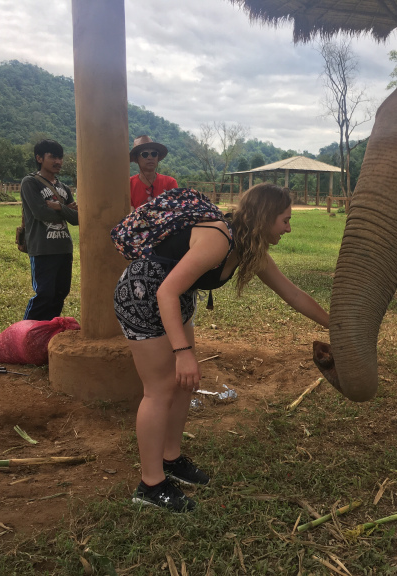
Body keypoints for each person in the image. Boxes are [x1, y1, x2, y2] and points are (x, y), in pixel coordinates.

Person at [114, 183, 329, 512]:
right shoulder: (219, 238)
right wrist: (182, 353)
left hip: (175, 297)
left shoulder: (249, 247)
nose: (289, 227)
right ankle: (150, 484)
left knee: (185, 385)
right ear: (266, 217)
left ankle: (170, 459)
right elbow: (165, 293)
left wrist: (336, 325)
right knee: (159, 389)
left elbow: (293, 294)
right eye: (285, 220)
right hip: (143, 295)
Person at [21, 139, 79, 320]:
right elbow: (40, 213)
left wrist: (59, 208)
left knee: (60, 293)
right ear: (39, 158)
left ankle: (47, 333)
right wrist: (67, 210)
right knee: (44, 294)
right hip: (43, 249)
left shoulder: (64, 188)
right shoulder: (30, 182)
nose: (58, 161)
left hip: (64, 248)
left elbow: (78, 219)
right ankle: (26, 335)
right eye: (53, 156)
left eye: (60, 157)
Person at [129, 135, 178, 209]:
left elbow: (175, 210)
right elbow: (130, 214)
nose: (150, 157)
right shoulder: (129, 184)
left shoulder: (170, 183)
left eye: (154, 154)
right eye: (144, 154)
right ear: (136, 159)